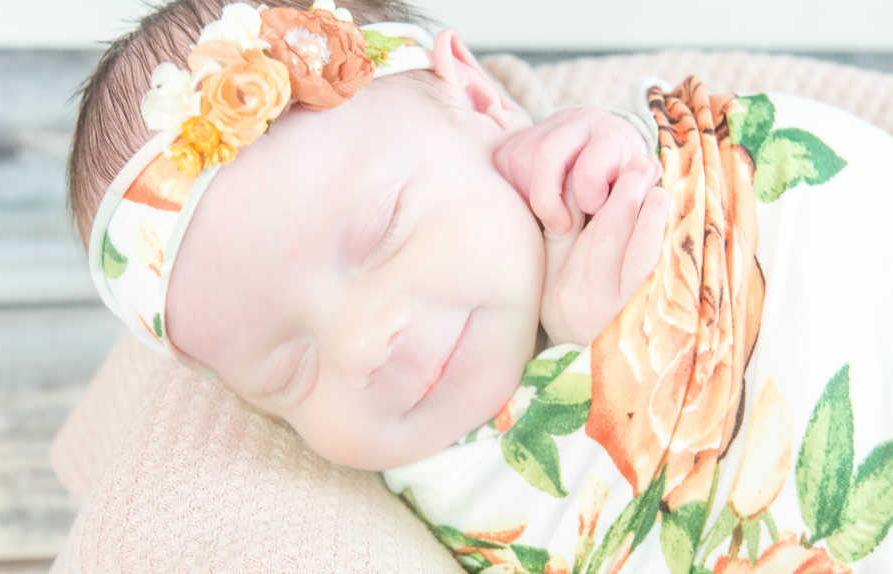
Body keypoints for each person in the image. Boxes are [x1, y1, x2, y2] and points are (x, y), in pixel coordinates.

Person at [70, 1, 893, 572]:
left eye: (384, 230)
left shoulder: (595, 161)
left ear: (478, 100)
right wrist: (585, 352)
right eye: (288, 369)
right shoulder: (432, 485)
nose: (362, 346)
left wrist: (633, 153)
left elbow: (780, 181)